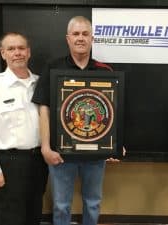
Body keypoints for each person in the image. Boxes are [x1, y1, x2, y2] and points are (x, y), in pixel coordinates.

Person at [32, 16, 124, 225]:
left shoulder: (105, 71)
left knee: (93, 203)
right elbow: (43, 109)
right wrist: (46, 147)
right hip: (61, 153)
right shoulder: (53, 69)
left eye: (85, 34)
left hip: (96, 154)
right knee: (61, 205)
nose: (80, 38)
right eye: (76, 34)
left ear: (92, 38)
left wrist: (114, 145)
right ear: (68, 38)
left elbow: (114, 112)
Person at [0, 32, 48, 225]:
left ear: (28, 52)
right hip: (8, 163)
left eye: (21, 48)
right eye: (11, 49)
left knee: (33, 214)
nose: (17, 53)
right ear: (2, 53)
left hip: (38, 162)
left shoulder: (41, 84)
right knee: (8, 218)